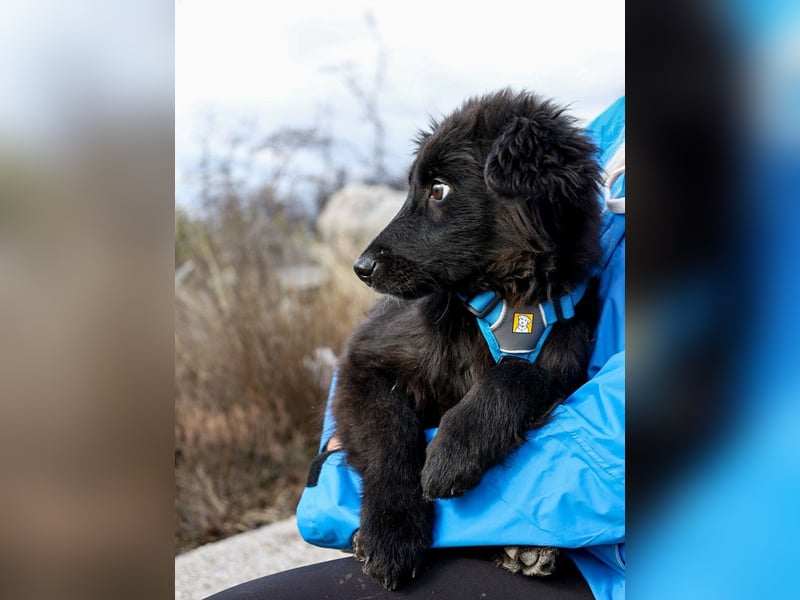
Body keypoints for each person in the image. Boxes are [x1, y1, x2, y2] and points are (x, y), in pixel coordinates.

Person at [207, 96, 625, 600]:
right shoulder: (614, 130)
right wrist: (390, 485)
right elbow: (362, 370)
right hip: (456, 515)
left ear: (529, 191)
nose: (376, 253)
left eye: (438, 191)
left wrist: (509, 394)